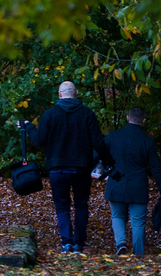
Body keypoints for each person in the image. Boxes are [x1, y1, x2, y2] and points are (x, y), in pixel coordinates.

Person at [18, 81, 114, 253]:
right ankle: (79, 244)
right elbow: (99, 143)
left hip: (57, 168)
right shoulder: (87, 114)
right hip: (81, 169)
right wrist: (109, 162)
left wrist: (29, 127)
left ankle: (66, 243)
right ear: (76, 93)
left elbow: (39, 140)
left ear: (59, 94)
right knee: (81, 204)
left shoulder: (50, 115)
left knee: (62, 206)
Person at [104, 106, 161, 255]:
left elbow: (98, 156)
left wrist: (108, 172)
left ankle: (121, 243)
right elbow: (156, 168)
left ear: (128, 118)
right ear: (143, 120)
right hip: (138, 186)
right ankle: (138, 254)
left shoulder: (112, 136)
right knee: (138, 222)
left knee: (117, 216)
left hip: (116, 183)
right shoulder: (147, 141)